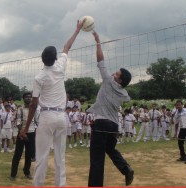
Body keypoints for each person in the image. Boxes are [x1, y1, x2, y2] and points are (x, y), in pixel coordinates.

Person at [19, 19, 84, 186]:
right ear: (55, 58)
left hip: (46, 117)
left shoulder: (39, 77)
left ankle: (38, 185)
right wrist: (77, 30)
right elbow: (67, 47)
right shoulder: (60, 66)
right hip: (62, 117)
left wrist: (26, 128)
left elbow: (33, 105)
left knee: (41, 156)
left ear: (42, 59)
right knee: (60, 157)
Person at [86, 31, 134, 187]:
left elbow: (101, 60)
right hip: (114, 126)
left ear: (119, 79)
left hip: (101, 124)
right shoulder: (123, 92)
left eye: (116, 74)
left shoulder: (108, 81)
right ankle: (126, 168)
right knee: (110, 150)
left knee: (97, 159)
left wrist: (98, 42)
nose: (113, 73)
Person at [10, 92, 36, 181]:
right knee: (17, 154)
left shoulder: (35, 109)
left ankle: (27, 172)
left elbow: (36, 121)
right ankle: (13, 174)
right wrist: (22, 132)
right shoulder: (20, 109)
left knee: (29, 154)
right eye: (26, 97)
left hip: (32, 132)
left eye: (30, 97)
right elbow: (18, 121)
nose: (28, 98)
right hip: (21, 133)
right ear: (23, 99)